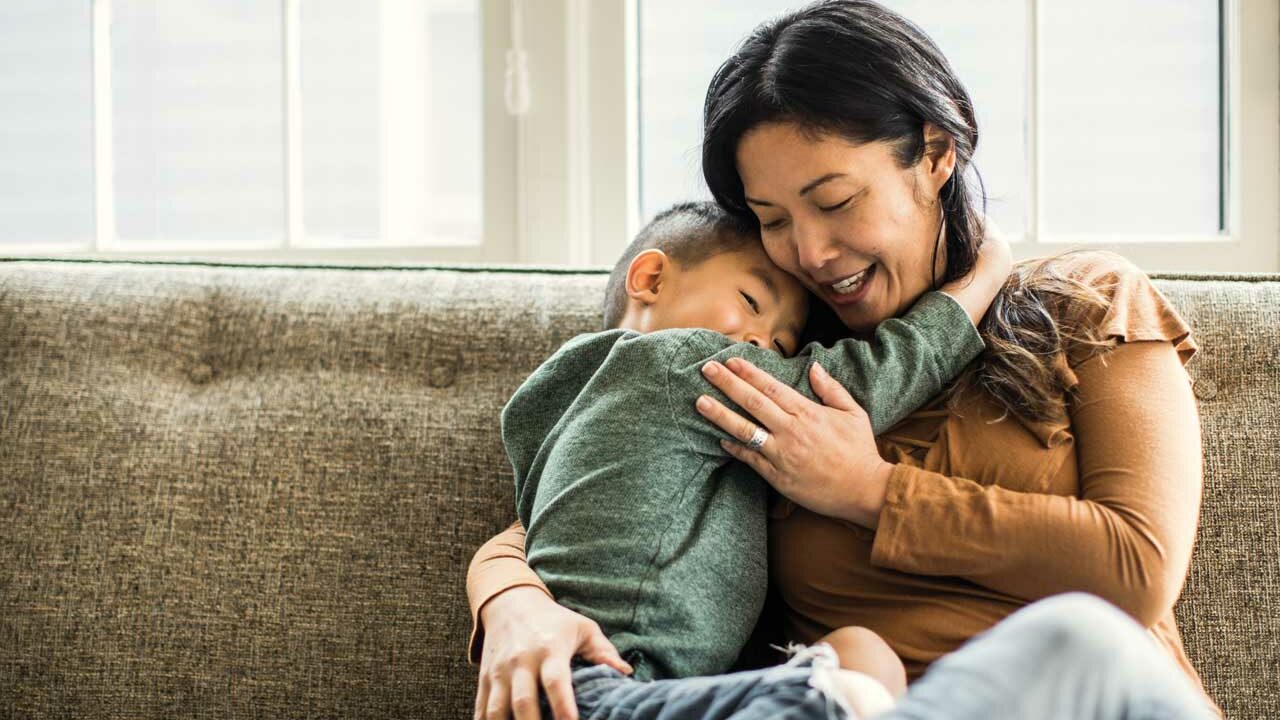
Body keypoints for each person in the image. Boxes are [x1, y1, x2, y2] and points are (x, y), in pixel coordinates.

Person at [467, 1, 1220, 718]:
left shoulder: (1084, 299)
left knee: (1077, 639)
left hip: (1093, 696)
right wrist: (514, 607)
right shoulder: (776, 368)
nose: (811, 253)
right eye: (772, 221)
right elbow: (579, 499)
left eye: (833, 202)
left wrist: (867, 490)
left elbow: (1138, 571)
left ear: (934, 153)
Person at [502, 199, 1009, 716]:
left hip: (587, 685)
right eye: (750, 301)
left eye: (782, 345)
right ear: (651, 278)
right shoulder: (679, 361)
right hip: (611, 682)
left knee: (860, 656)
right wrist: (982, 276)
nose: (759, 345)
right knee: (848, 686)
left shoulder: (559, 401)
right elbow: (863, 381)